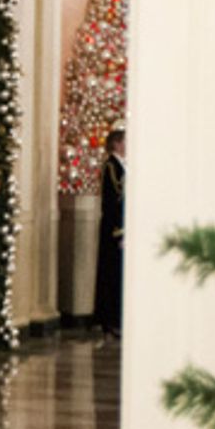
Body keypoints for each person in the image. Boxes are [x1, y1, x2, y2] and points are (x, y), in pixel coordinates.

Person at [93, 128, 126, 336]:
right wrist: (120, 232)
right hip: (115, 229)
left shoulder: (123, 166)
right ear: (116, 144)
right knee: (111, 275)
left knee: (118, 276)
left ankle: (117, 318)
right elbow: (113, 202)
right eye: (124, 141)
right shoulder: (111, 167)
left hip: (123, 227)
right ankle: (109, 320)